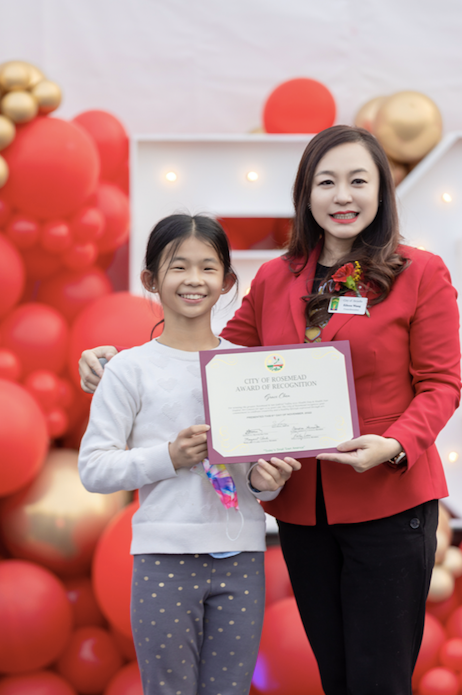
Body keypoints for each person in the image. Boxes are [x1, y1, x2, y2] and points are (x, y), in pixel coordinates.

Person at [79, 127, 461, 695]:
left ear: (382, 191)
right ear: (306, 193)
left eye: (358, 181)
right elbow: (210, 359)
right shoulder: (278, 278)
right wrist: (117, 360)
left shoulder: (419, 272)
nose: (343, 196)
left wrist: (395, 444)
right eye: (326, 182)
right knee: (335, 675)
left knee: (379, 679)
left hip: (387, 503)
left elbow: (442, 383)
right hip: (303, 512)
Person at [78, 214, 301, 695]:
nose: (194, 279)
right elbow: (93, 468)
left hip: (242, 555)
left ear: (228, 282)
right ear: (150, 280)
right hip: (163, 556)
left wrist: (266, 482)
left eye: (208, 267)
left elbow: (258, 475)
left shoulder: (248, 367)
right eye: (178, 267)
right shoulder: (128, 370)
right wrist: (169, 457)